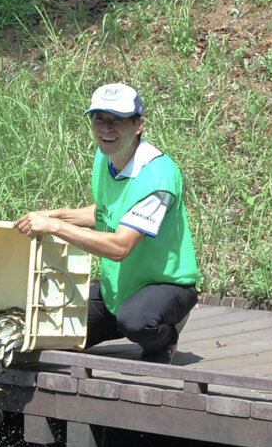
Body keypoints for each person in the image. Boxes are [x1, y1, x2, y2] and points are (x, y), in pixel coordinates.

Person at [14, 83, 199, 364]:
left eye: (117, 120)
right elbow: (107, 212)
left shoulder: (158, 176)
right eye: (99, 118)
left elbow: (120, 247)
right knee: (54, 331)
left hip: (167, 285)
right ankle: (126, 317)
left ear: (139, 125)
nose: (106, 128)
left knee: (137, 322)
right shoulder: (105, 156)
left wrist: (55, 227)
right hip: (119, 287)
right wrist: (59, 215)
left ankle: (166, 335)